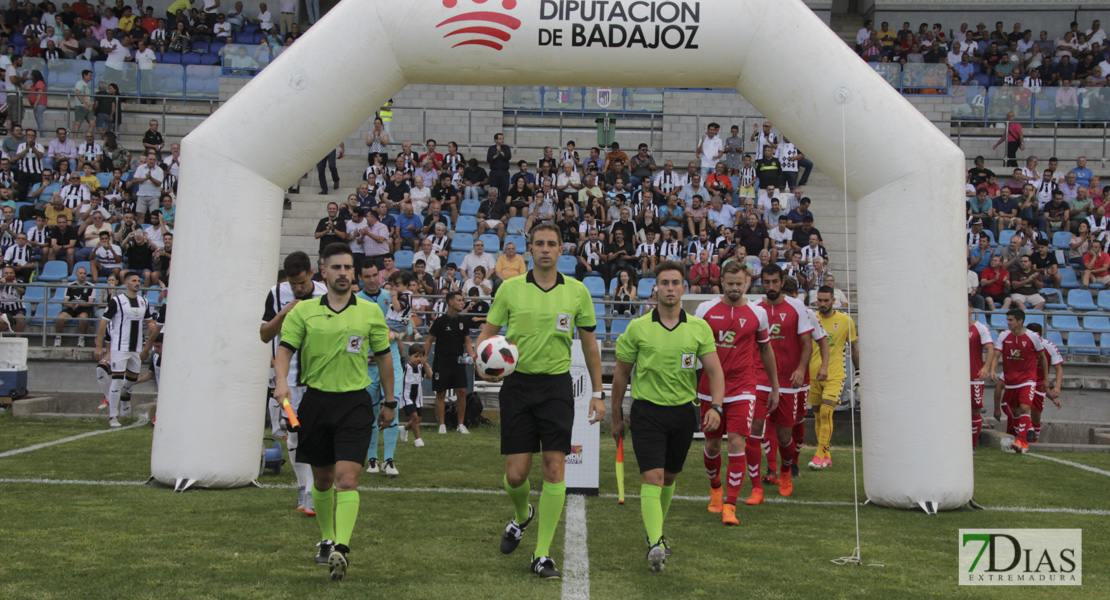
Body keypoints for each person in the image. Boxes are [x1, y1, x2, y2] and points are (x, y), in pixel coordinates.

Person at [477, 223, 604, 580]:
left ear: (561, 249)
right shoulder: (511, 290)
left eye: (552, 243)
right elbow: (486, 335)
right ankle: (521, 516)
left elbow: (591, 345)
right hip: (517, 387)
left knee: (553, 468)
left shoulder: (577, 292)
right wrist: (482, 362)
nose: (545, 249)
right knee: (515, 476)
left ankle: (542, 554)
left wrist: (597, 392)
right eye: (539, 244)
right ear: (529, 249)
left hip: (556, 389)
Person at [272, 243, 394, 580]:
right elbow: (283, 350)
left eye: (348, 267)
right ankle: (326, 539)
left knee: (347, 478)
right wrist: (281, 381)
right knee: (323, 481)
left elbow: (384, 357)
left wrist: (390, 400)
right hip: (315, 402)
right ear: (322, 272)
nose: (343, 273)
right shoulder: (304, 312)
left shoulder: (370, 312)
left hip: (355, 404)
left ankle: (341, 546)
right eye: (336, 267)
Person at [610, 260, 724, 571]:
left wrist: (716, 406)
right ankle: (656, 541)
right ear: (655, 288)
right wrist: (616, 414)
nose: (670, 288)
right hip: (647, 413)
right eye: (664, 283)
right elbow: (621, 375)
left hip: (684, 414)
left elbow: (715, 371)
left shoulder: (698, 328)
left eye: (675, 283)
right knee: (652, 477)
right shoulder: (638, 328)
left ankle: (655, 535)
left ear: (684, 288)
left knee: (670, 477)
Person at [696, 262, 779, 526]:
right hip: (710, 389)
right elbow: (692, 345)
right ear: (722, 281)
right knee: (711, 445)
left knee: (736, 442)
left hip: (744, 387)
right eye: (729, 283)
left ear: (746, 282)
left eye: (739, 284)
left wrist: (775, 386)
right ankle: (716, 489)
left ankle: (730, 505)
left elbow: (766, 350)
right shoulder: (705, 309)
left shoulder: (757, 313)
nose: (734, 288)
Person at [259, 251, 327, 515]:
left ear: (311, 273)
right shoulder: (276, 294)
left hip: (319, 377)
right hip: (287, 379)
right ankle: (302, 487)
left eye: (301, 282)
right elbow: (265, 335)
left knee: (315, 433)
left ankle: (312, 492)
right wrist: (283, 314)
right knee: (294, 433)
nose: (297, 288)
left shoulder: (325, 292)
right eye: (292, 284)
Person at [750, 266, 826, 495]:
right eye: (767, 282)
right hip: (759, 379)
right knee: (754, 430)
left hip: (788, 382)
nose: (771, 286)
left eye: (775, 282)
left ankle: (786, 470)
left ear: (782, 282)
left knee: (785, 436)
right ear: (762, 283)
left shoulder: (797, 307)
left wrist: (802, 369)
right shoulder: (754, 309)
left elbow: (807, 343)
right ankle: (756, 487)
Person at [355, 261, 403, 477]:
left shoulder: (391, 297)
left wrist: (394, 334)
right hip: (366, 366)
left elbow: (407, 325)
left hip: (390, 362)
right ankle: (372, 459)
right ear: (361, 278)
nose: (373, 280)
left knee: (393, 408)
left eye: (375, 275)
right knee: (371, 413)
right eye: (367, 276)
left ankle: (389, 460)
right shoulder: (355, 301)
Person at [95, 271, 158, 428]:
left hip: (136, 348)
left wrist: (151, 326)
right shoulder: (117, 301)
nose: (137, 283)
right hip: (120, 346)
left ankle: (110, 398)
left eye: (138, 280)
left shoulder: (144, 301)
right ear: (126, 283)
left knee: (131, 380)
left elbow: (150, 322)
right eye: (134, 281)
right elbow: (103, 323)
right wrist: (98, 345)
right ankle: (113, 417)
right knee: (117, 380)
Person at [806, 286, 859, 469]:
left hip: (835, 374)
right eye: (819, 300)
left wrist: (859, 373)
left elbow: (854, 348)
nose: (822, 304)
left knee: (828, 412)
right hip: (813, 375)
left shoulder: (845, 321)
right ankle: (826, 455)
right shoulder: (811, 319)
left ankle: (819, 454)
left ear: (833, 300)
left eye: (826, 300)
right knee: (818, 416)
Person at [988, 309, 1047, 454]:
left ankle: (1022, 440)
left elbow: (1043, 357)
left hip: (1028, 379)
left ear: (1020, 321)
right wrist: (992, 370)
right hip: (1010, 380)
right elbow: (996, 355)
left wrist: (1046, 378)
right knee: (1015, 412)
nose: (1008, 323)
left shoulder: (1032, 337)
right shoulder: (1003, 335)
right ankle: (1022, 441)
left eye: (1011, 320)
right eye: (1007, 320)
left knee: (1025, 408)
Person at [424, 290, 476, 434]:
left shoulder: (463, 321)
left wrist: (472, 357)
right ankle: (442, 425)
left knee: (461, 392)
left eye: (462, 300)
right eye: (459, 300)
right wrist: (424, 358)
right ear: (451, 302)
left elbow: (467, 342)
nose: (462, 303)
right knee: (440, 393)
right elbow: (429, 340)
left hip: (458, 362)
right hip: (441, 362)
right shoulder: (440, 321)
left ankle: (460, 424)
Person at [1024, 322, 1063, 445]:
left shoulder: (1049, 346)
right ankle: (1021, 438)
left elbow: (1058, 368)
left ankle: (1033, 443)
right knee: (1022, 410)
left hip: (1040, 385)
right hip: (1023, 382)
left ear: (1040, 335)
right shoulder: (1023, 344)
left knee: (1035, 415)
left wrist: (1057, 386)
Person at [968, 302, 993, 448]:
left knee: (975, 408)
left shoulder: (980, 328)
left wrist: (985, 368)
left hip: (974, 376)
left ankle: (972, 445)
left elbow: (990, 348)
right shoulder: (953, 327)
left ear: (971, 309)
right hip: (957, 377)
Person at [399, 343, 430, 447]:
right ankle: (418, 439)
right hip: (407, 397)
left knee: (418, 419)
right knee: (415, 417)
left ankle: (404, 429)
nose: (418, 359)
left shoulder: (422, 367)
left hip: (417, 398)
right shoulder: (405, 367)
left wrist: (425, 364)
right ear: (410, 356)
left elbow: (430, 376)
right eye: (416, 356)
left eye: (421, 356)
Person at [486, 133, 511, 198]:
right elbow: (489, 159)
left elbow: (508, 157)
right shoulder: (491, 148)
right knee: (493, 191)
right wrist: (497, 154)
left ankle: (503, 206)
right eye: (500, 139)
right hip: (494, 172)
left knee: (504, 191)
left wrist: (501, 152)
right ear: (495, 140)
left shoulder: (506, 148)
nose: (502, 140)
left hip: (504, 172)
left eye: (503, 139)